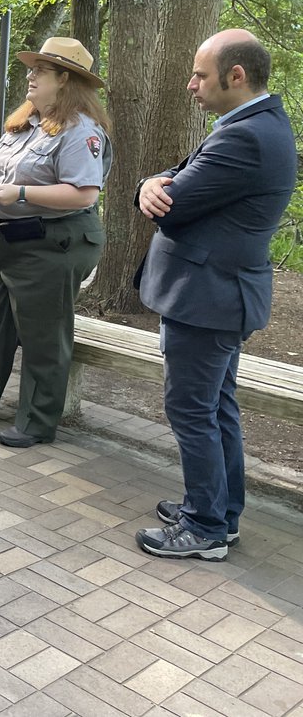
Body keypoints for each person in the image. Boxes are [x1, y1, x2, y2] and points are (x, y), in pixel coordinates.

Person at [133, 30, 296, 561]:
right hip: (219, 296)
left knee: (192, 410)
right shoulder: (252, 125)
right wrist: (153, 180)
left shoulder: (244, 136)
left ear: (236, 76)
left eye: (200, 75)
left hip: (207, 299)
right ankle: (220, 514)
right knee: (216, 406)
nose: (191, 85)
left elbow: (174, 204)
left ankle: (203, 527)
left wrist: (152, 190)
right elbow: (180, 175)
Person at [0, 37, 110, 448]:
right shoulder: (27, 124)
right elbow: (14, 176)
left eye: (40, 71)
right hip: (9, 242)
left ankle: (36, 421)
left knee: (43, 335)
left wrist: (18, 194)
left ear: (65, 80)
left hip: (52, 244)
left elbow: (83, 193)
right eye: (31, 69)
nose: (30, 76)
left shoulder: (81, 130)